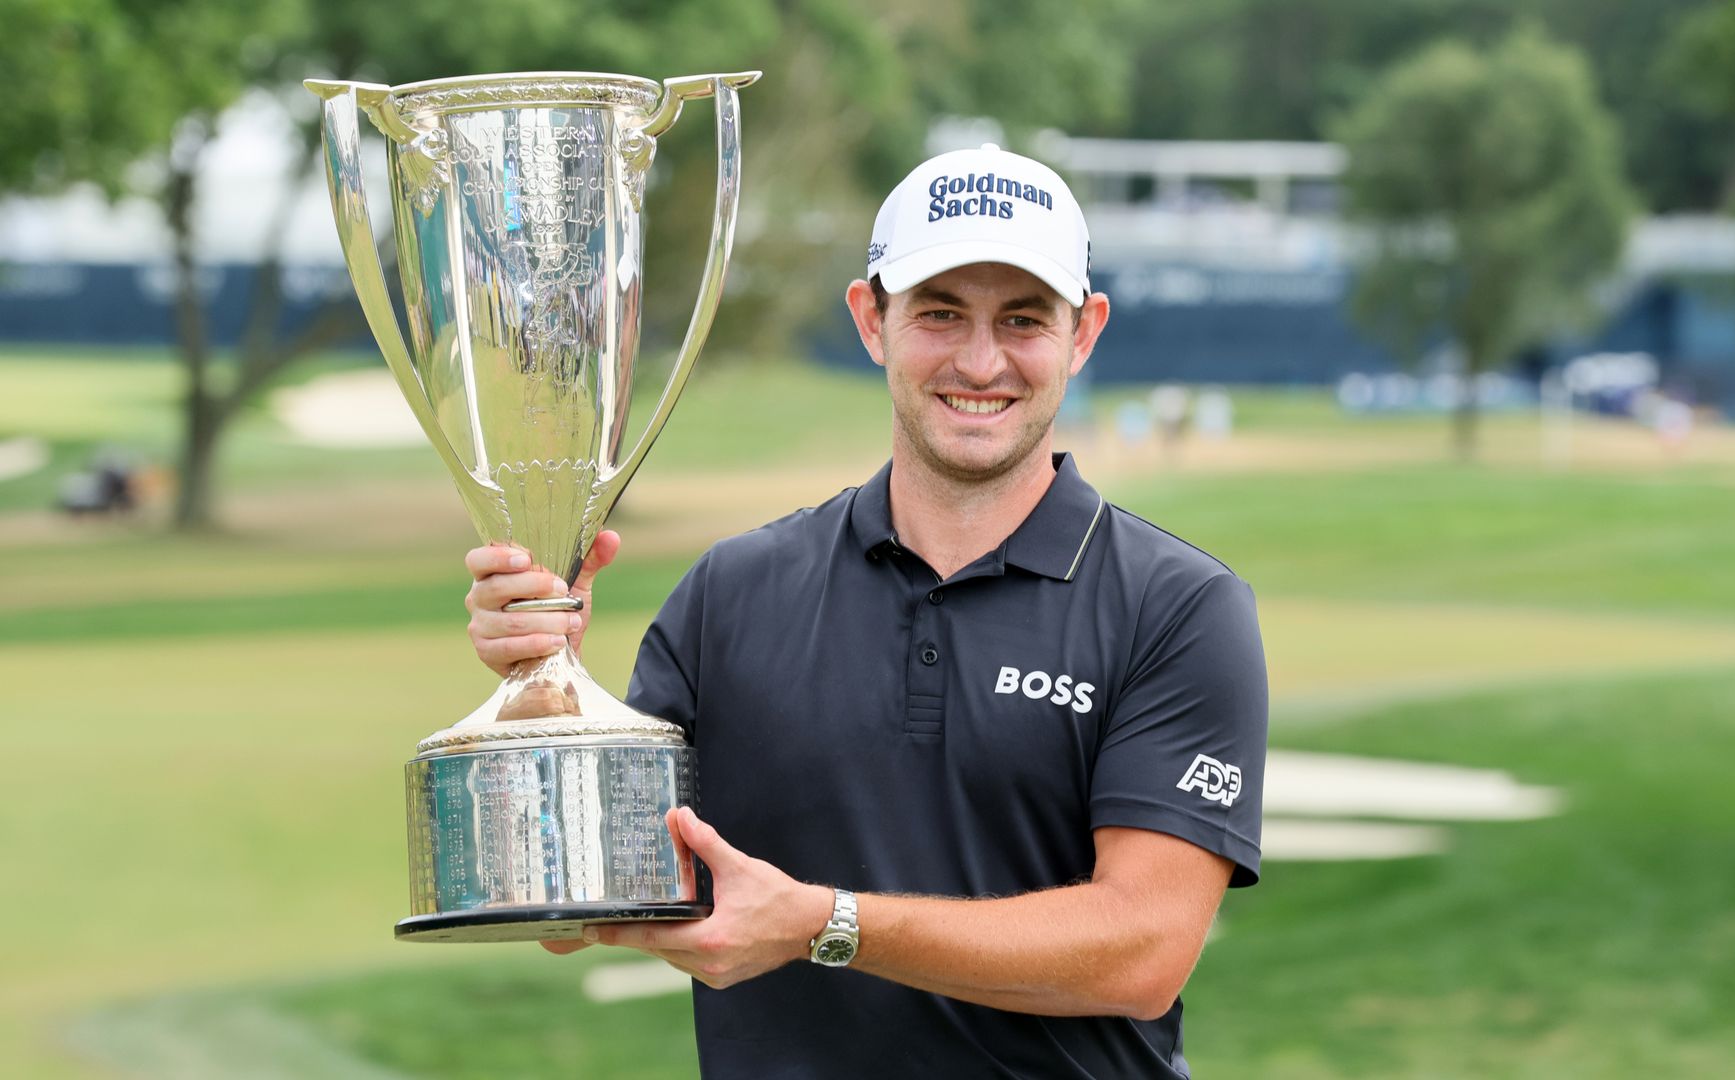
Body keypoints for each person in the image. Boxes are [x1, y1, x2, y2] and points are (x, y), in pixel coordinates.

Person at [464, 144, 1268, 1078]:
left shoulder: (1179, 609)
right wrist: (540, 688)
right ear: (870, 318)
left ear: (1083, 333)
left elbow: (1142, 954)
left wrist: (826, 925)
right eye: (938, 312)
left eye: (1022, 318)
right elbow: (583, 913)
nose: (980, 360)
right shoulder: (731, 594)